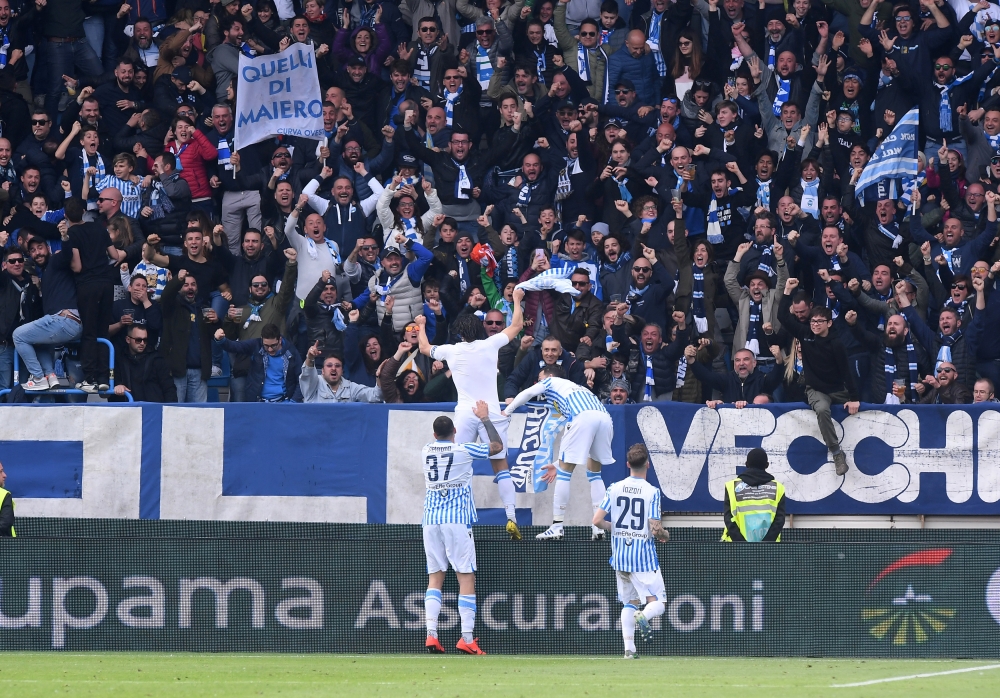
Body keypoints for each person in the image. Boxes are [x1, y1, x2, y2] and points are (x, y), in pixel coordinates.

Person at [415, 287, 526, 540]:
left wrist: (421, 324)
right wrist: (517, 300)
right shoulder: (490, 345)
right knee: (502, 467)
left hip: (465, 413)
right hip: (491, 411)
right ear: (480, 329)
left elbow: (423, 348)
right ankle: (511, 516)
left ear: (458, 334)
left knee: (461, 465)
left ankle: (460, 517)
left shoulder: (450, 351)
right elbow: (517, 325)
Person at [421, 401, 502, 656]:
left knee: (435, 577)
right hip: (456, 520)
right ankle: (466, 638)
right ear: (454, 430)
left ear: (434, 435)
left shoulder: (425, 450)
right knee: (465, 577)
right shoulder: (463, 450)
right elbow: (497, 447)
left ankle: (431, 634)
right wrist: (485, 419)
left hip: (430, 520)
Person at [505, 364, 615, 541]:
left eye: (539, 378)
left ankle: (557, 527)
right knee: (595, 473)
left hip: (583, 416)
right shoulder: (575, 390)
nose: (538, 381)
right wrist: (558, 464)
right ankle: (598, 526)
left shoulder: (551, 382)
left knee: (565, 474)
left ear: (548, 376)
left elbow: (526, 394)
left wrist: (507, 411)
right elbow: (578, 443)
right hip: (605, 417)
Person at [592, 443, 669, 660]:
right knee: (658, 604)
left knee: (629, 602)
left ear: (628, 464)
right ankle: (643, 617)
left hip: (620, 558)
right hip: (642, 559)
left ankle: (629, 650)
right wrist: (665, 535)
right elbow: (655, 529)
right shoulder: (652, 492)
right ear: (648, 465)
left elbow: (597, 520)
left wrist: (613, 528)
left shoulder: (614, 487)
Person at [778, 278, 860, 476]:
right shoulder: (804, 333)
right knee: (822, 410)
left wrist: (854, 397)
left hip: (838, 388)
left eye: (819, 321)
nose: (815, 324)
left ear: (829, 323)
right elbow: (782, 316)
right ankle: (837, 453)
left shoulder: (837, 343)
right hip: (815, 389)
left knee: (862, 408)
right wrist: (788, 290)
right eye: (813, 321)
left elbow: (847, 371)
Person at [213, 323, 302, 402]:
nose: (270, 349)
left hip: (283, 403)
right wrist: (221, 340)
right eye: (266, 346)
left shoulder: (291, 352)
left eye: (273, 345)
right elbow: (235, 346)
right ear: (262, 339)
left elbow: (301, 379)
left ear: (280, 339)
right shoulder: (256, 345)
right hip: (258, 403)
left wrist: (293, 402)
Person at [721, 448, 786, 543]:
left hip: (734, 549)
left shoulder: (732, 486)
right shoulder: (778, 488)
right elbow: (779, 520)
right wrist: (766, 544)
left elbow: (728, 518)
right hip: (769, 550)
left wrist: (741, 544)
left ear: (746, 464)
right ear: (767, 465)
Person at [299, 342, 383, 403]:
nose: (333, 368)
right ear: (323, 371)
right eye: (329, 365)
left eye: (337, 366)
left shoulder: (351, 388)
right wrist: (310, 358)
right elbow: (307, 374)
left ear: (342, 371)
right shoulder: (314, 385)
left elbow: (376, 396)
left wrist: (379, 376)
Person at [111, 325, 177, 402]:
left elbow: (169, 388)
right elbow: (114, 379)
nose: (142, 343)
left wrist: (169, 410)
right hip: (128, 410)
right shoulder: (120, 359)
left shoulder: (157, 360)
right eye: (138, 340)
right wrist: (118, 385)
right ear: (128, 339)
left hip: (153, 410)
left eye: (145, 340)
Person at [0, 460, 13, 537]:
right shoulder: (4, 494)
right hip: (5, 546)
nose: (4, 475)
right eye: (0, 472)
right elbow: (5, 523)